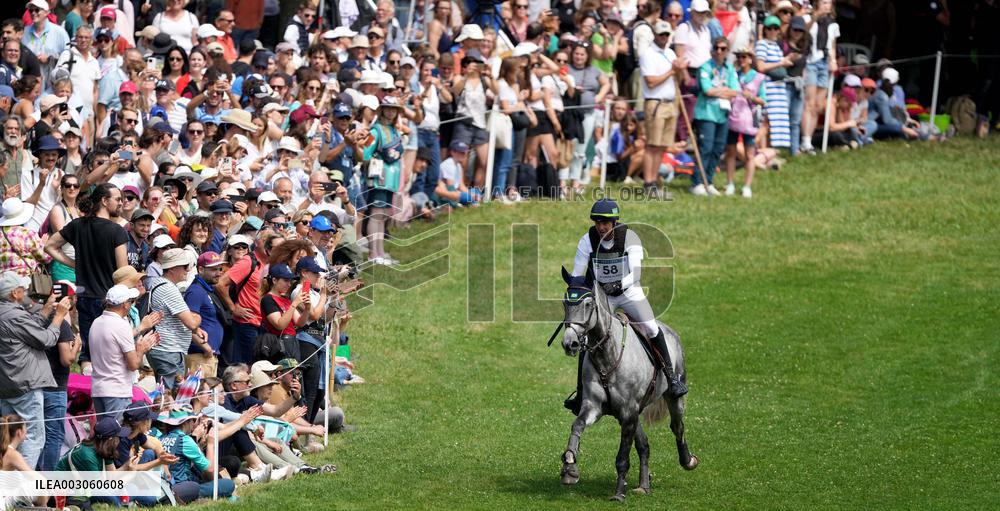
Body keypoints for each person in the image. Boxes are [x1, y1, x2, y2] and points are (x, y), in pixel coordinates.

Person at [564, 199, 687, 416]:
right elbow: (578, 273)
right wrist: (575, 286)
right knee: (588, 337)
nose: (601, 227)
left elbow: (636, 273)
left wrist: (619, 284)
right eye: (598, 222)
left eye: (606, 222)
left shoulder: (629, 237)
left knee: (651, 328)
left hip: (629, 293)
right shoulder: (587, 241)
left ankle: (671, 378)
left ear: (614, 222)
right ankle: (581, 392)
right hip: (604, 298)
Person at [45, 183, 129, 373]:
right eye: (117, 199)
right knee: (112, 352)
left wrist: (74, 263)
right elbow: (122, 271)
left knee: (89, 353)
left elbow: (50, 246)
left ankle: (87, 392)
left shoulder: (78, 225)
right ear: (104, 201)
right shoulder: (117, 231)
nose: (121, 203)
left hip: (84, 297)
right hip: (109, 300)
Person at [0, 270, 73, 469]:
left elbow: (28, 329)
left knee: (11, 437)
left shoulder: (8, 313)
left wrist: (47, 309)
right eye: (22, 288)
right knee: (33, 437)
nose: (26, 291)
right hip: (25, 384)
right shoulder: (15, 315)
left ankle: (8, 488)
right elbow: (46, 339)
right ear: (14, 293)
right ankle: (23, 493)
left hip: (6, 385)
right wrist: (59, 316)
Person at [90, 284, 159, 420]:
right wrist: (141, 349)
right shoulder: (122, 325)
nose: (132, 304)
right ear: (125, 305)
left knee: (104, 434)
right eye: (131, 301)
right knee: (115, 436)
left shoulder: (97, 322)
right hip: (117, 391)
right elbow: (133, 364)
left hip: (99, 389)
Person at [216, 232, 283, 364]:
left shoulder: (273, 265)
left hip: (264, 323)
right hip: (247, 322)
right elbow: (220, 284)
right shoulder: (249, 261)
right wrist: (233, 308)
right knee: (245, 366)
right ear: (263, 246)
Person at [146, 248, 207, 389]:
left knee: (167, 396)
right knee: (171, 399)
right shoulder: (168, 288)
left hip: (166, 351)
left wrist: (196, 328)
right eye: (185, 266)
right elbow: (191, 322)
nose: (188, 270)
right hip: (168, 351)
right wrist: (197, 317)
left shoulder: (161, 284)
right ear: (172, 269)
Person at [639, 20, 683, 198]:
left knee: (662, 146)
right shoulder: (648, 54)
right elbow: (651, 81)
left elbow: (677, 79)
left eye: (666, 35)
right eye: (661, 34)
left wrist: (679, 70)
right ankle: (647, 182)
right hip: (655, 102)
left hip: (670, 102)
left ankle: (654, 181)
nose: (664, 37)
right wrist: (672, 71)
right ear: (655, 35)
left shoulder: (670, 53)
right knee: (652, 145)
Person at [692, 37, 738, 197]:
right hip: (706, 113)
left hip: (722, 114)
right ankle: (698, 181)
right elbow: (707, 90)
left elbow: (735, 91)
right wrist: (724, 90)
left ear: (727, 51)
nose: (719, 51)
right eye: (717, 48)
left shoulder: (729, 69)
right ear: (712, 50)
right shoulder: (705, 67)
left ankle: (709, 181)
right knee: (706, 147)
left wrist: (719, 90)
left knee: (718, 149)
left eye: (723, 48)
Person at [723, 46, 766, 198]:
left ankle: (747, 185)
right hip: (733, 116)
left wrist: (752, 97)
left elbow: (763, 100)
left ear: (750, 59)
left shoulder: (758, 77)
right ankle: (730, 183)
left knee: (749, 153)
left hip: (749, 119)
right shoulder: (733, 75)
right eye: (739, 57)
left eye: (744, 57)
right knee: (731, 151)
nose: (741, 60)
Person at [800, 0, 838, 154]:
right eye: (823, 2)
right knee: (809, 103)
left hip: (824, 63)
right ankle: (805, 140)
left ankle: (809, 140)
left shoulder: (833, 25)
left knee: (818, 105)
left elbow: (833, 45)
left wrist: (833, 60)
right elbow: (803, 33)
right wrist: (815, 17)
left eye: (828, 3)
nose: (826, 6)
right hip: (811, 62)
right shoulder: (809, 19)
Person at [184, 251, 227, 377]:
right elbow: (188, 324)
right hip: (199, 356)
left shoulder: (205, 289)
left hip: (206, 355)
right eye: (213, 269)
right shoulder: (196, 291)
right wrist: (206, 348)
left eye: (220, 269)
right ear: (201, 269)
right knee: (199, 395)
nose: (218, 273)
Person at [0, 196, 48, 277]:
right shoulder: (27, 234)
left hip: (3, 281)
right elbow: (45, 258)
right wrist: (43, 244)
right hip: (25, 278)